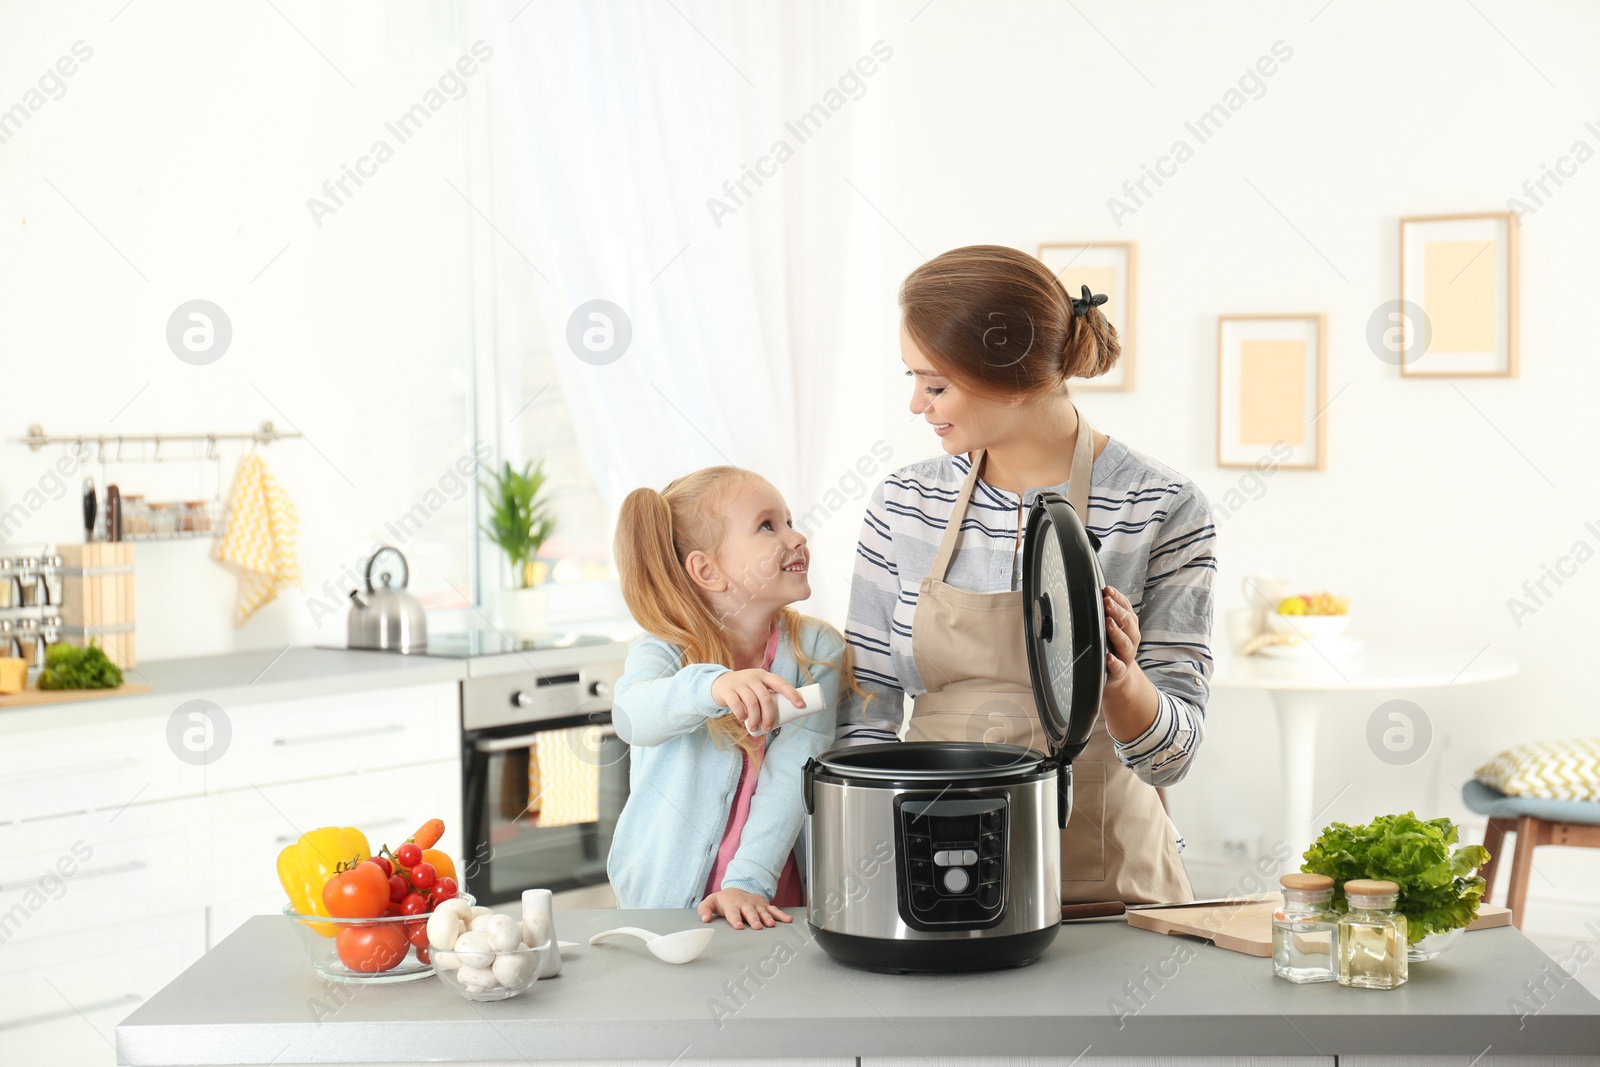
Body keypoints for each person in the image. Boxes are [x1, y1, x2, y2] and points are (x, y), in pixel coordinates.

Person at [837, 245, 1216, 904]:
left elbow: (1172, 757)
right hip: (932, 874)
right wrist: (871, 859)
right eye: (913, 378)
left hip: (1105, 883)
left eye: (935, 384)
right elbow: (864, 706)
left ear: (1010, 377)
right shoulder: (904, 504)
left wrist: (1120, 681)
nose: (916, 405)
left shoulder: (1160, 505)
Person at [607, 465, 866, 928]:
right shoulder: (666, 648)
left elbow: (793, 770)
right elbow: (633, 717)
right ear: (707, 569)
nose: (796, 537)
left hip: (767, 888)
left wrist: (748, 881)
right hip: (662, 901)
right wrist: (710, 686)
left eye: (789, 520)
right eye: (768, 526)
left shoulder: (816, 653)